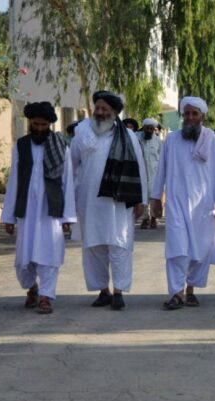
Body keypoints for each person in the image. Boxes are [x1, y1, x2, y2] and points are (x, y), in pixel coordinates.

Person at [70, 91, 147, 310]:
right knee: (94, 246)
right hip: (89, 202)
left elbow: (139, 169)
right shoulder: (82, 132)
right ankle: (103, 291)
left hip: (119, 202)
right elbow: (72, 166)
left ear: (114, 112)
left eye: (105, 109)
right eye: (98, 108)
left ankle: (119, 291)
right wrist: (70, 199)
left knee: (119, 245)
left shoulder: (128, 136)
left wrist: (140, 200)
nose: (100, 112)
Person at [150, 96, 215, 310]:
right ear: (182, 116)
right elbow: (161, 170)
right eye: (187, 113)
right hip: (176, 203)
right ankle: (177, 292)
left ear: (202, 116)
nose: (190, 117)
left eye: (195, 113)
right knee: (177, 249)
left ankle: (190, 289)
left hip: (204, 205)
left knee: (200, 249)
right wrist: (156, 198)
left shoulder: (211, 139)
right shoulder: (171, 140)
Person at [1, 102, 77, 314]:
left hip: (50, 211)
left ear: (50, 125)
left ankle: (46, 296)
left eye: (44, 125)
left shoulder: (61, 147)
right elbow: (14, 181)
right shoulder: (21, 146)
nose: (40, 128)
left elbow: (67, 182)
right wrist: (9, 216)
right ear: (30, 123)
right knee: (23, 260)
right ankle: (32, 288)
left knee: (49, 255)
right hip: (26, 210)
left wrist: (67, 217)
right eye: (36, 124)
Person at [137, 118, 163, 229]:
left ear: (154, 129)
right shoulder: (137, 138)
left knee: (154, 195)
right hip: (141, 171)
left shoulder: (158, 141)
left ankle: (153, 218)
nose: (149, 130)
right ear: (143, 128)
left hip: (154, 172)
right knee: (142, 195)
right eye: (147, 128)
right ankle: (144, 219)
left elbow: (161, 157)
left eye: (151, 128)